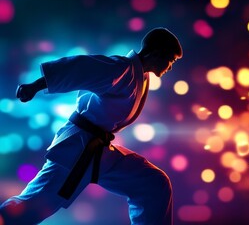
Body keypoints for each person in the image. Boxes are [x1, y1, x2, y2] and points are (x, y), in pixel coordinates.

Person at [0, 27, 183, 224]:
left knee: (153, 184)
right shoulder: (121, 68)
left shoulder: (140, 76)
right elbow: (80, 69)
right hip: (77, 148)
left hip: (100, 151)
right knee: (31, 205)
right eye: (170, 60)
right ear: (155, 54)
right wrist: (35, 86)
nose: (170, 66)